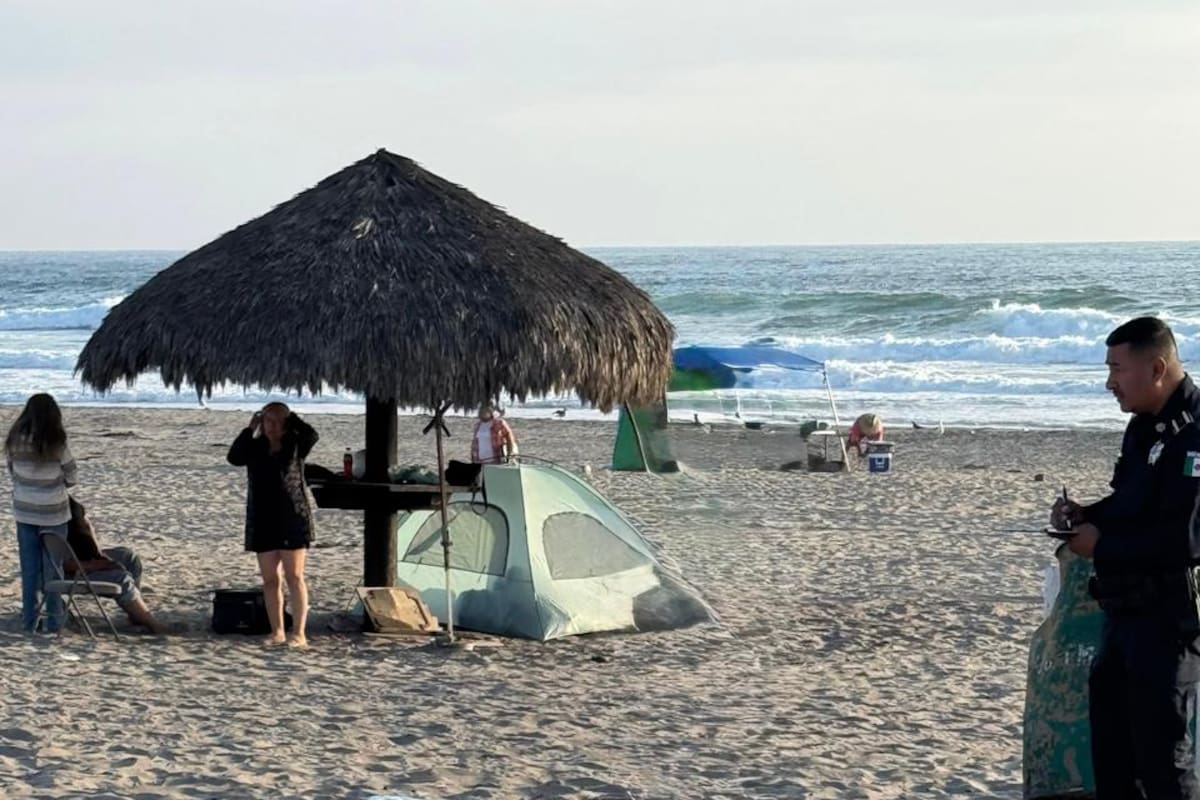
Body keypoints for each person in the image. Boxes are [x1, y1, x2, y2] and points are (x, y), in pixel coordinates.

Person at [1051, 317, 1200, 799]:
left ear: (1157, 367)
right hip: (1121, 618)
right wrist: (1085, 514)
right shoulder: (1142, 428)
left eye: (1117, 368)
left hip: (1170, 625)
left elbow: (1187, 543)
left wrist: (1102, 546)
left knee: (1165, 771)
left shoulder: (1195, 435)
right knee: (1113, 762)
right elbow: (1130, 502)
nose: (1108, 381)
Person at [227, 403, 318, 648]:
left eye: (279, 421)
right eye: (269, 421)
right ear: (263, 422)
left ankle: (299, 633)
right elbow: (234, 457)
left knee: (294, 576)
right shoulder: (255, 447)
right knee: (270, 579)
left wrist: (292, 418)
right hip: (263, 518)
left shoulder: (296, 445)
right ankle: (277, 631)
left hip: (292, 517)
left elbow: (312, 434)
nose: (274, 426)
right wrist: (250, 429)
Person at [4, 393, 76, 634]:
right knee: (52, 567)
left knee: (29, 568)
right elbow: (71, 475)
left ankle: (29, 620)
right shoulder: (57, 441)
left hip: (25, 510)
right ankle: (54, 621)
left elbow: (13, 472)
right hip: (54, 512)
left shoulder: (14, 440)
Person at [64, 496, 165, 634]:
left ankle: (135, 613)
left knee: (128, 557)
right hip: (71, 570)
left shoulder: (66, 502)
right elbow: (60, 565)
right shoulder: (46, 516)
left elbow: (85, 528)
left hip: (84, 557)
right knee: (120, 578)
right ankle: (151, 623)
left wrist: (99, 555)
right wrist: (96, 565)